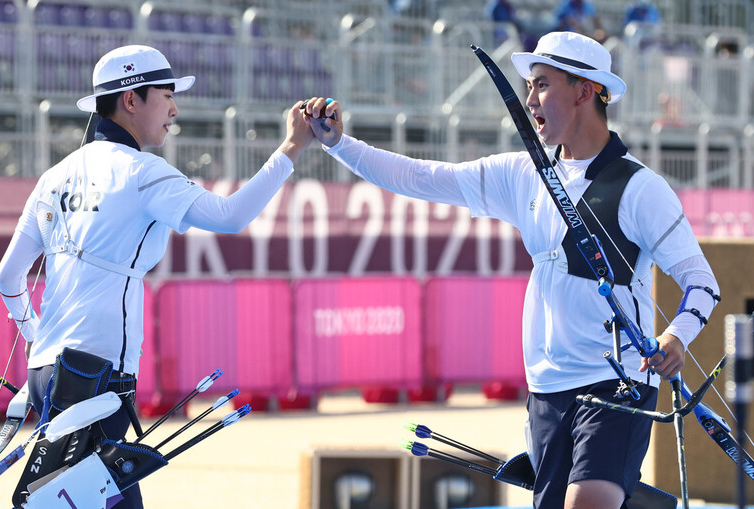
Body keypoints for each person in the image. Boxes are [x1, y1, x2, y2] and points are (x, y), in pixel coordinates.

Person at [300, 31, 720, 509]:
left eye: (541, 84)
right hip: (546, 388)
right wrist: (338, 144)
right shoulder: (522, 175)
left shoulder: (641, 188)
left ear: (584, 90)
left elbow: (701, 281)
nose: (529, 100)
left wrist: (676, 337)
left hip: (617, 385)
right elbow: (421, 177)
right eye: (527, 86)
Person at [0, 45, 314, 508]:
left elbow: (8, 278)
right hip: (96, 379)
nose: (174, 108)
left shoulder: (54, 175)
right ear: (130, 100)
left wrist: (34, 340)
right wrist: (292, 147)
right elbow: (231, 215)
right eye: (166, 94)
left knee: (100, 498)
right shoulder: (142, 172)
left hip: (50, 372)